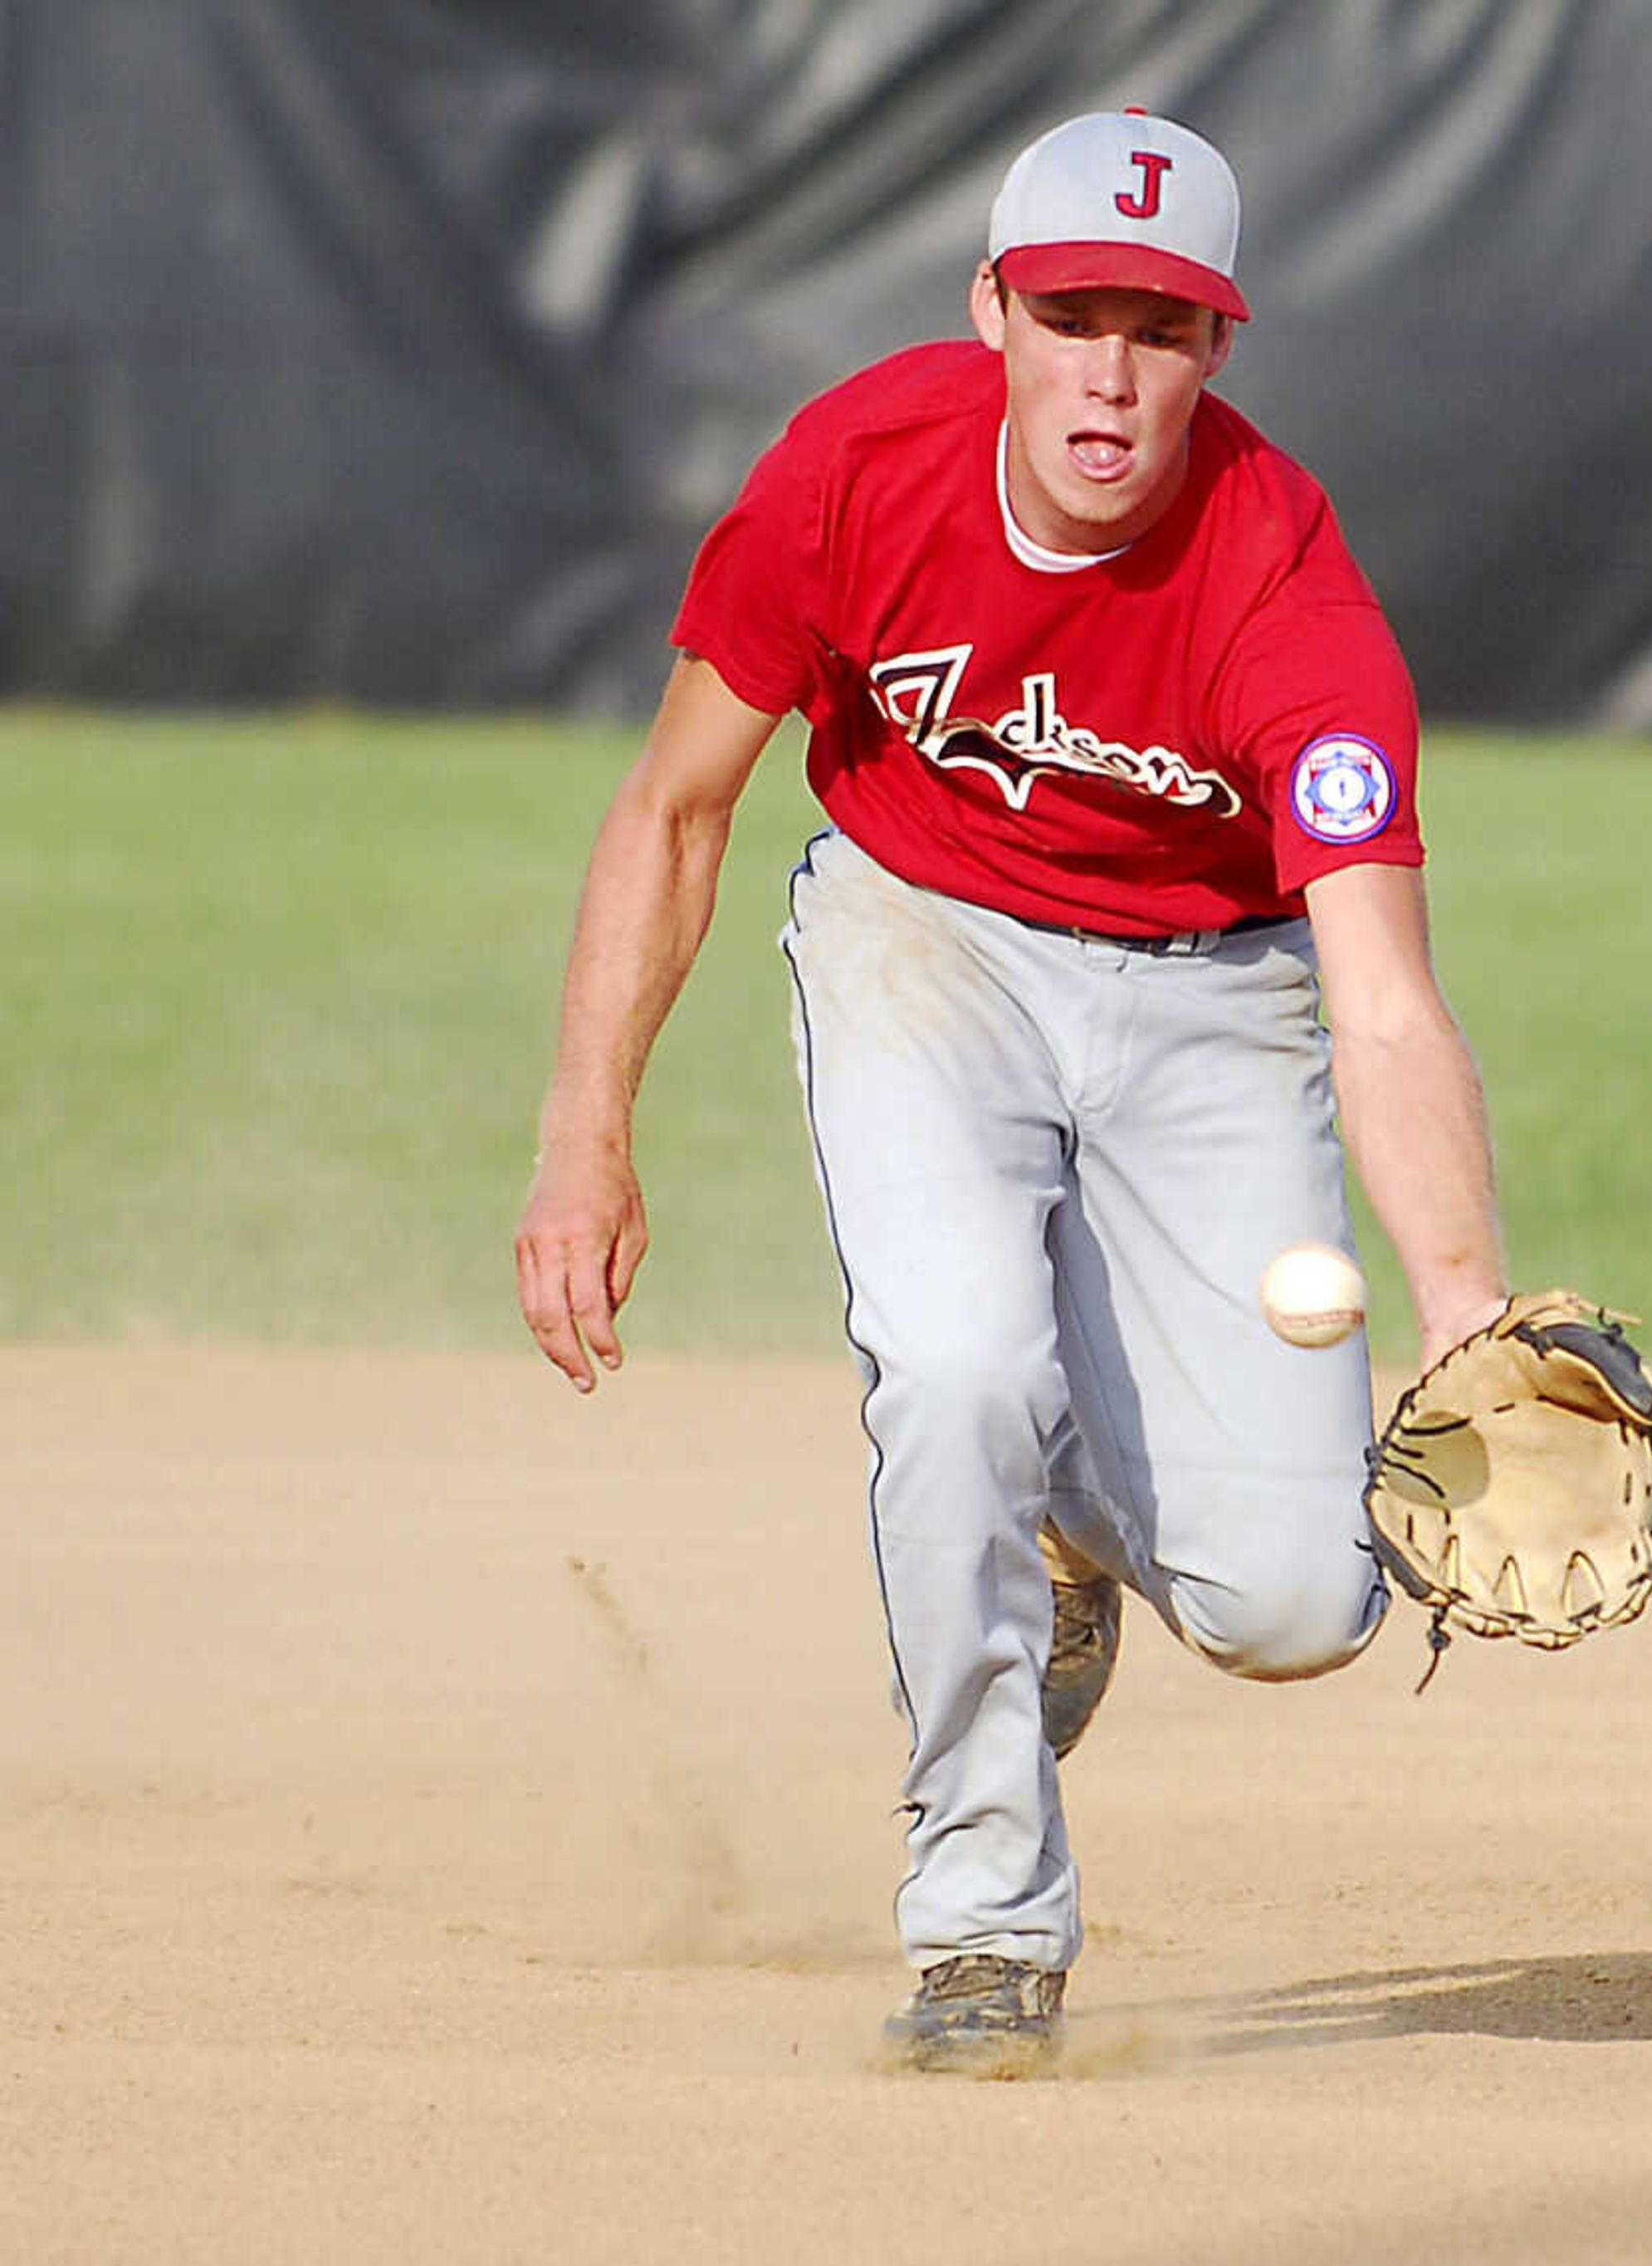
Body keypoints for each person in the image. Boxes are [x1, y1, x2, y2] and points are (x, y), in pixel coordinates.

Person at [512, 108, 1509, 2076]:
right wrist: (583, 1132)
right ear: (995, 311)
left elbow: (1382, 995)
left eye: (1161, 325)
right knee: (959, 1367)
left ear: (1218, 349)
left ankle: (1070, 1526)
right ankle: (983, 1919)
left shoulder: (1288, 588)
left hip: (1211, 1004)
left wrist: (1467, 1299)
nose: (1110, 375)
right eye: (1071, 316)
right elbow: (679, 803)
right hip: (924, 943)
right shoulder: (858, 470)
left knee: (1306, 1603)